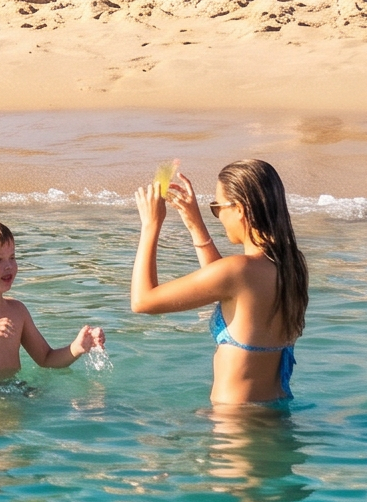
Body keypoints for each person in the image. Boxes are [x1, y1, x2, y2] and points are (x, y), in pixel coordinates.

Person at [131, 160, 308, 406]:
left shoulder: (239, 270)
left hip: (235, 427)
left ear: (239, 209)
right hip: (276, 414)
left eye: (217, 207)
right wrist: (195, 224)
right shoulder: (292, 266)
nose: (218, 217)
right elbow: (224, 288)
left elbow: (142, 301)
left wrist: (150, 225)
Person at [0, 212, 105, 381]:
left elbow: (46, 358)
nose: (9, 266)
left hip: (13, 391)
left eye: (12, 257)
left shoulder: (17, 311)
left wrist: (76, 348)